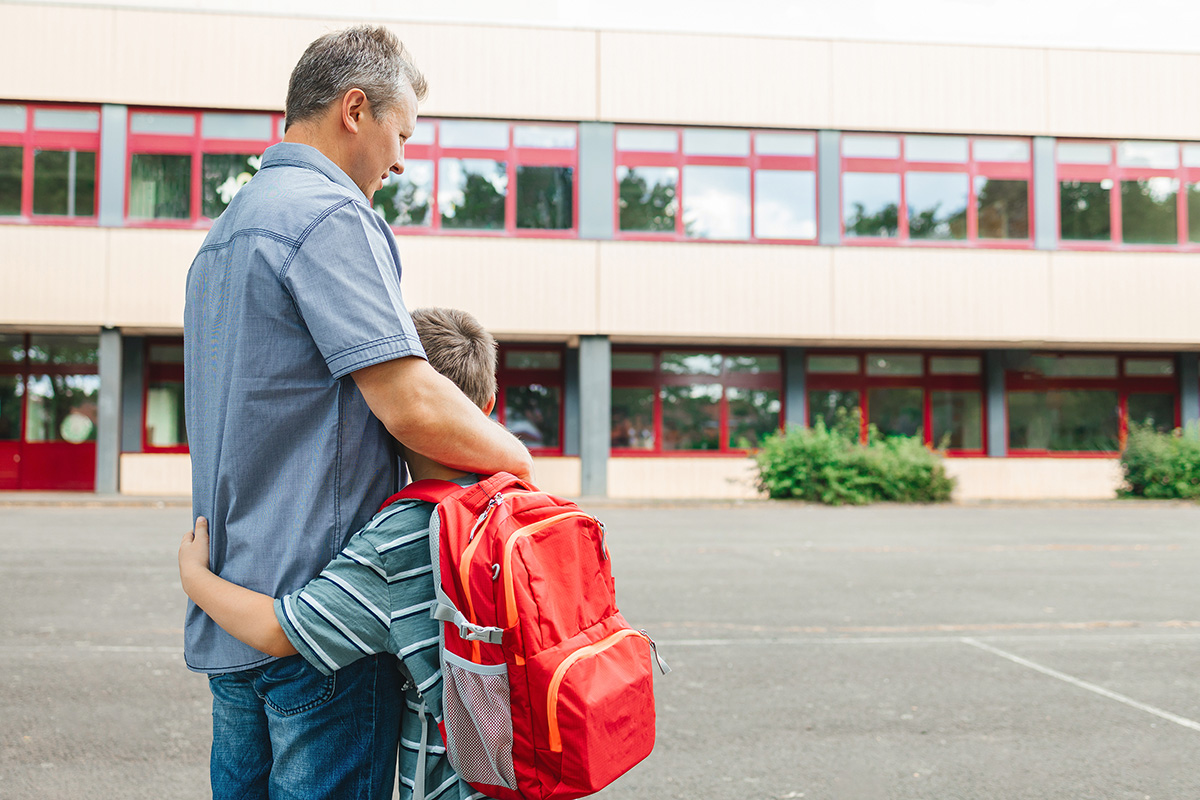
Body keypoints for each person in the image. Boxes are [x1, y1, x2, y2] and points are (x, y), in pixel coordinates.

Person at [183, 26, 533, 800]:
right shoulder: (330, 214)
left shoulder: (222, 238)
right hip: (325, 632)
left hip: (234, 622)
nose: (402, 158)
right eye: (400, 133)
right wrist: (518, 460)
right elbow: (410, 401)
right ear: (354, 109)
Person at [181, 307, 501, 800]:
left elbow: (279, 630)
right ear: (489, 404)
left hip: (459, 783)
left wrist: (193, 577)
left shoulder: (408, 534)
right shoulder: (519, 502)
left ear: (389, 409)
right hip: (533, 764)